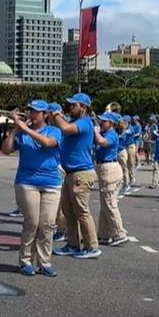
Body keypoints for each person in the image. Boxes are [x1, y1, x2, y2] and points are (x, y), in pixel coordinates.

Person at [1, 100, 62, 276]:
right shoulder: (22, 132)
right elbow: (6, 150)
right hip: (27, 181)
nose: (31, 115)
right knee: (32, 223)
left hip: (51, 182)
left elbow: (48, 143)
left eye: (36, 112)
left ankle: (44, 262)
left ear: (45, 115)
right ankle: (25, 260)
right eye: (30, 111)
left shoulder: (54, 131)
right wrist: (15, 130)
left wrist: (26, 129)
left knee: (47, 224)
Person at [50, 93, 101, 260]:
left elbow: (64, 128)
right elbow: (59, 127)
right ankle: (73, 244)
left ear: (83, 108)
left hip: (81, 173)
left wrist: (57, 114)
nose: (70, 108)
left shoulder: (85, 123)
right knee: (68, 211)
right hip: (71, 172)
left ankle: (92, 246)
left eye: (73, 105)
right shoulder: (74, 122)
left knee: (81, 211)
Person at [95, 112, 129, 247]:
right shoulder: (106, 133)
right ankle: (104, 234)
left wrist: (95, 132)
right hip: (104, 167)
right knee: (104, 203)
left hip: (109, 168)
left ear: (112, 124)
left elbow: (102, 143)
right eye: (101, 121)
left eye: (104, 121)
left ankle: (119, 232)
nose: (101, 123)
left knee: (109, 202)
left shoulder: (112, 134)